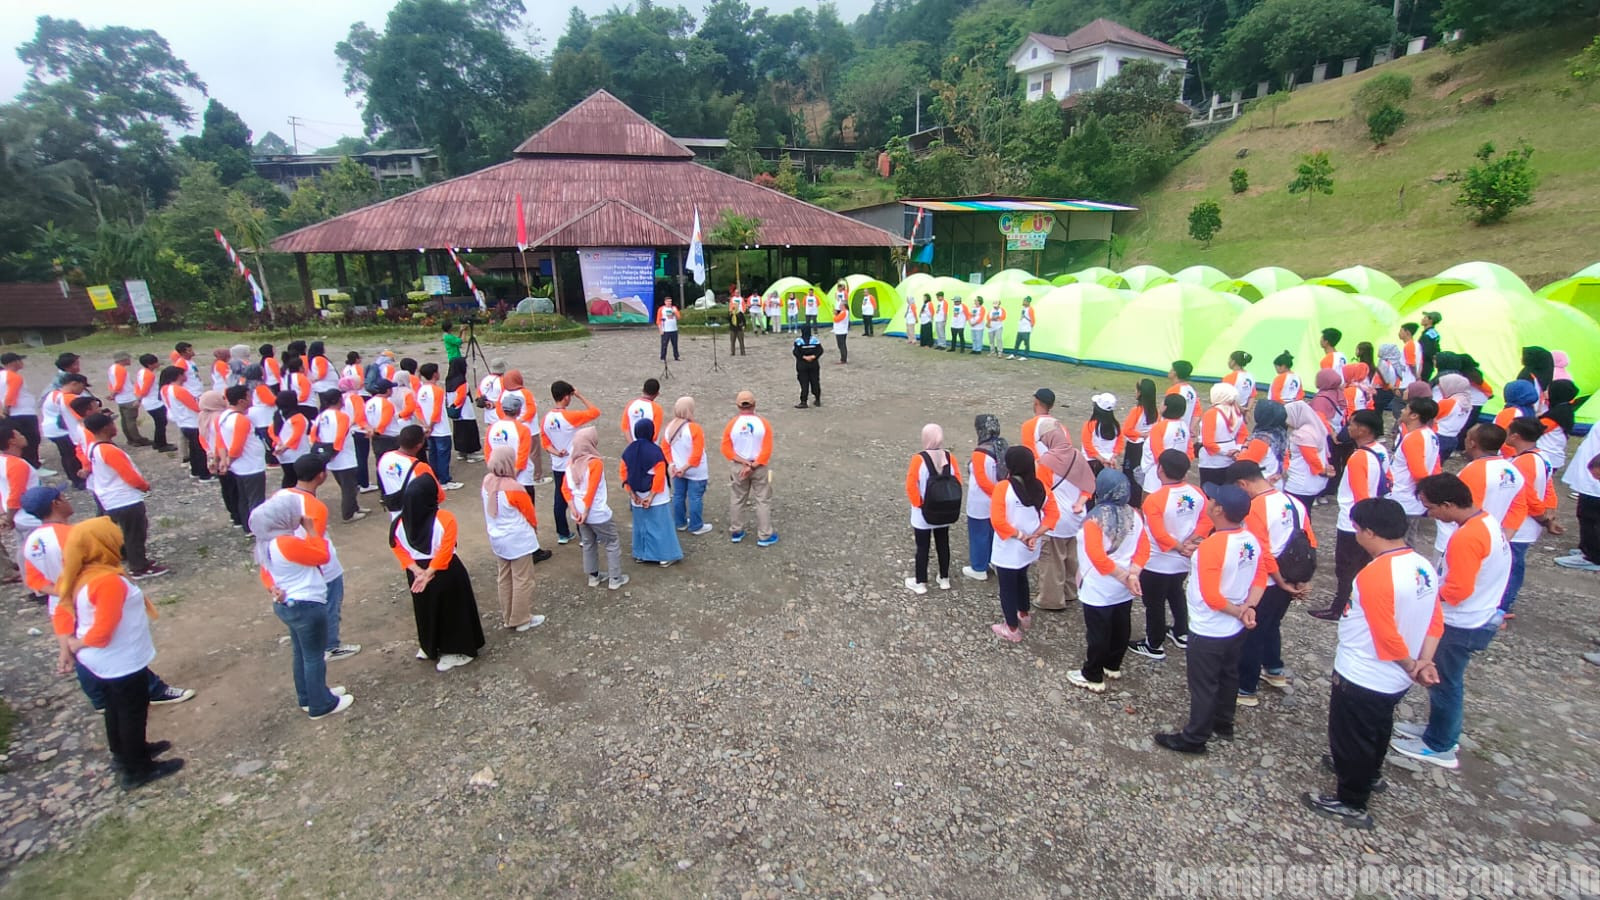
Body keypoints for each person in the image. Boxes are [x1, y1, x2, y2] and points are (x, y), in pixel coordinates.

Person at [1303, 497, 1441, 829]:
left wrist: (1411, 664)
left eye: (1357, 529)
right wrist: (1424, 661)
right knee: (1377, 727)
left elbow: (1384, 632)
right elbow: (1435, 618)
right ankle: (1370, 772)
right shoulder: (1422, 565)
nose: (1356, 535)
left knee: (1352, 735)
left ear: (1369, 532)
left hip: (1365, 672)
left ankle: (1352, 800)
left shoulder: (1376, 574)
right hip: (1395, 677)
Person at [1385, 474, 1511, 770]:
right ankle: (1438, 730)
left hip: (1461, 621)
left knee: (1444, 682)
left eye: (1431, 507)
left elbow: (1458, 590)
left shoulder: (1467, 538)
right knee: (1447, 681)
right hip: (1480, 613)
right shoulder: (1486, 522)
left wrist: (1423, 595)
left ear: (1448, 504)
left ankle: (1440, 744)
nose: (1430, 514)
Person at [52, 517, 186, 789]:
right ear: (102, 543)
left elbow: (63, 609)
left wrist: (72, 646)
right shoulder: (107, 581)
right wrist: (76, 644)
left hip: (105, 661)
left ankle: (124, 754)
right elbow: (103, 630)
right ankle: (138, 769)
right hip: (118, 660)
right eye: (114, 536)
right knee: (131, 711)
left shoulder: (84, 573)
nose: (120, 540)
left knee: (115, 708)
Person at [1153, 484, 1267, 755]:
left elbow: (1212, 597)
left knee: (1203, 684)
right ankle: (1223, 722)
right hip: (1235, 627)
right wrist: (1249, 607)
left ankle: (1195, 737)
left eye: (1213, 500)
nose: (1209, 502)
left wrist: (1240, 611)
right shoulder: (1250, 539)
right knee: (1229, 675)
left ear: (1219, 510)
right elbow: (1260, 576)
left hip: (1210, 628)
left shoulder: (1213, 546)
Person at [249, 493, 354, 718]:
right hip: (307, 605)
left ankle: (308, 696)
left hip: (288, 604)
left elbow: (265, 573)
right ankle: (321, 705)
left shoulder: (265, 543)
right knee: (314, 656)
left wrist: (272, 588)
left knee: (301, 653)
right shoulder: (286, 543)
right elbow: (322, 556)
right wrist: (312, 531)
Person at [1229, 460, 1314, 701]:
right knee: (1272, 624)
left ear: (1242, 484)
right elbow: (1309, 541)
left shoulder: (1256, 507)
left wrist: (1280, 580)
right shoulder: (1293, 502)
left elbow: (1262, 552)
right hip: (1291, 575)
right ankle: (1273, 668)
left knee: (1253, 632)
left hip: (1266, 581)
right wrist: (1300, 580)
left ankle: (1246, 687)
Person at [390, 470, 485, 672]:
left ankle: (429, 645)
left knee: (425, 608)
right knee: (453, 610)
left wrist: (416, 569)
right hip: (446, 570)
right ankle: (457, 649)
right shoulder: (444, 518)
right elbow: (446, 549)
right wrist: (430, 572)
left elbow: (396, 546)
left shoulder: (399, 521)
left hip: (417, 572)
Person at [1069, 469, 1148, 691]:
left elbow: (1097, 557)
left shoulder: (1095, 519)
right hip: (1124, 585)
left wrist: (1124, 577)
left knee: (1098, 631)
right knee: (1121, 624)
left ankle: (1092, 674)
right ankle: (1113, 664)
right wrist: (1133, 574)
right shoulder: (1134, 515)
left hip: (1099, 584)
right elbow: (1144, 546)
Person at [276, 455, 360, 662]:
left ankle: (307, 639)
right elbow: (315, 541)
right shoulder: (316, 507)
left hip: (287, 562)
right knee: (329, 605)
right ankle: (330, 646)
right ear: (321, 476)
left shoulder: (280, 495)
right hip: (319, 566)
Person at [1130, 450, 1209, 661]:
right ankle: (1181, 632)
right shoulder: (1197, 493)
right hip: (1183, 561)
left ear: (1160, 470)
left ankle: (1154, 643)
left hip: (1157, 561)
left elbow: (1159, 534)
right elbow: (1207, 520)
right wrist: (1191, 541)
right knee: (1176, 593)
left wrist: (1179, 546)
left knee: (1154, 603)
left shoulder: (1154, 500)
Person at [1309, 410, 1388, 622]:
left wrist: (1360, 521)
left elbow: (1360, 494)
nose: (1348, 428)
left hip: (1353, 521)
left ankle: (1341, 607)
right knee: (1361, 565)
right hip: (1371, 516)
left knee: (1346, 568)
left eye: (1352, 424)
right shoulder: (1380, 450)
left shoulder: (1358, 457)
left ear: (1363, 430)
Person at [80, 411, 169, 580]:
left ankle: (127, 556)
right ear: (105, 428)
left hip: (109, 498)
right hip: (125, 499)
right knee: (135, 533)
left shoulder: (93, 447)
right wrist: (144, 486)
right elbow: (129, 475)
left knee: (125, 532)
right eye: (112, 424)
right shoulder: (109, 450)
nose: (115, 427)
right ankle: (139, 567)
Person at [988, 446, 1060, 642]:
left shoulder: (1003, 487)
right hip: (1030, 546)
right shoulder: (1040, 487)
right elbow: (1053, 514)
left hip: (1009, 547)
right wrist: (1036, 534)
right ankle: (1024, 614)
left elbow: (998, 521)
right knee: (1022, 577)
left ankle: (1011, 627)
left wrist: (1021, 536)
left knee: (1007, 587)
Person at [481, 445, 546, 632]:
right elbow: (529, 513)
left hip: (497, 537)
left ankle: (508, 616)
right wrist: (534, 528)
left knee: (504, 577)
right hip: (517, 539)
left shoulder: (487, 481)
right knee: (523, 579)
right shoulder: (514, 487)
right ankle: (521, 619)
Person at [1502, 417, 1562, 612]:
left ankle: (1503, 607)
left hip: (1520, 526)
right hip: (1528, 526)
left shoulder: (1523, 462)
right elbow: (1549, 487)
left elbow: (1528, 496)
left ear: (1515, 436)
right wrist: (1549, 514)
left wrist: (1543, 518)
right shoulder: (1542, 456)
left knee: (1510, 568)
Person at [1035, 425, 1093, 610]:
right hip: (1078, 516)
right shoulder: (1077, 455)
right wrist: (1080, 503)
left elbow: (1041, 491)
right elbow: (1089, 485)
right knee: (1072, 557)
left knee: (1052, 560)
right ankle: (1071, 591)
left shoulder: (1046, 461)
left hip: (1056, 519)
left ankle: (1051, 599)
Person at [563, 427, 628, 589]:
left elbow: (565, 489)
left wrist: (574, 509)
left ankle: (593, 577)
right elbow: (591, 489)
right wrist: (586, 511)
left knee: (588, 543)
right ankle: (615, 578)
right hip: (596, 512)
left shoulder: (570, 464)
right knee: (611, 542)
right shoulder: (595, 463)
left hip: (578, 512)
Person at [904, 424, 962, 594]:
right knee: (943, 544)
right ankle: (944, 578)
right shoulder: (950, 457)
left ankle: (920, 582)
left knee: (922, 547)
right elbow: (958, 481)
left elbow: (911, 485)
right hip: (944, 510)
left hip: (924, 512)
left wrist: (919, 504)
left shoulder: (919, 459)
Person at [542, 381, 601, 546]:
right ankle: (584, 535)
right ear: (567, 397)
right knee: (578, 496)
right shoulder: (570, 417)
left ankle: (562, 533)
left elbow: (545, 443)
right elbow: (595, 412)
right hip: (573, 464)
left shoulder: (546, 418)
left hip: (557, 464)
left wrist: (556, 452)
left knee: (560, 499)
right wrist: (580, 395)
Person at [622, 419, 683, 567]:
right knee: (661, 525)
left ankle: (641, 554)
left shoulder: (628, 451)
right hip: (656, 497)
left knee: (641, 525)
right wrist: (651, 496)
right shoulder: (656, 451)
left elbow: (624, 474)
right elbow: (659, 477)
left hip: (637, 496)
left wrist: (632, 494)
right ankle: (665, 556)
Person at [723, 391, 777, 547]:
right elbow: (767, 449)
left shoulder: (732, 424)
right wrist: (752, 465)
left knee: (737, 498)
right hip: (759, 466)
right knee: (762, 500)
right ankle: (765, 535)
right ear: (754, 404)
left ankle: (736, 531)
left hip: (738, 466)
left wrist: (743, 462)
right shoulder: (763, 424)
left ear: (738, 406)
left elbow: (725, 448)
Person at [1389, 397, 1441, 549]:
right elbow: (1435, 467)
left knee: (1399, 544)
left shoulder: (1413, 438)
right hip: (1412, 501)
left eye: (1406, 408)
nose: (1402, 411)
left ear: (1414, 415)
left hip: (1403, 499)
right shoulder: (1431, 435)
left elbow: (1419, 474)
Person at [218, 385, 269, 530]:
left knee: (244, 498)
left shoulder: (224, 416)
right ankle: (256, 528)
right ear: (241, 401)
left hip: (240, 466)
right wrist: (228, 461)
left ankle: (247, 526)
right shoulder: (241, 420)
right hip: (251, 465)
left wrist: (224, 459)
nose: (252, 399)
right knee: (255, 499)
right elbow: (236, 447)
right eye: (249, 396)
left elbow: (220, 440)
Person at [962, 414, 1006, 581]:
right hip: (999, 501)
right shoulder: (1003, 446)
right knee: (995, 534)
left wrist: (995, 495)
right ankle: (996, 562)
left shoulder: (980, 452)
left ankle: (979, 567)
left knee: (979, 534)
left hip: (980, 503)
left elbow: (982, 481)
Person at [662, 396, 712, 536]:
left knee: (678, 496)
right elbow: (697, 454)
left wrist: (672, 464)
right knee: (695, 497)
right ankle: (696, 526)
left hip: (677, 469)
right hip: (695, 471)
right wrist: (685, 468)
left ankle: (680, 523)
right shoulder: (695, 428)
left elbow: (665, 448)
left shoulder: (670, 427)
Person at [1557, 428, 1600, 572]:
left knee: (1591, 518)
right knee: (1585, 515)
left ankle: (1593, 555)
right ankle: (1588, 548)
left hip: (1594, 483)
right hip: (1591, 477)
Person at [415, 363, 461, 490]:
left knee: (433, 454)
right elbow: (437, 411)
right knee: (443, 455)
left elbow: (417, 409)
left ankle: (435, 478)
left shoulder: (420, 390)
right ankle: (444, 480)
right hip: (440, 429)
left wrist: (425, 425)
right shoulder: (437, 391)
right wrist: (431, 425)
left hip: (427, 429)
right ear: (435, 374)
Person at [42, 374, 91, 488]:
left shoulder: (53, 393)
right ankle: (78, 480)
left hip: (52, 429)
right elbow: (81, 416)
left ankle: (74, 479)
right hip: (61, 431)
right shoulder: (69, 397)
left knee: (66, 455)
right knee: (72, 456)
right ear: (74, 384)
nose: (82, 390)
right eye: (82, 387)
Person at [496, 370, 545, 483]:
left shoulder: (503, 394)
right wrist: (521, 419)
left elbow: (499, 410)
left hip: (510, 428)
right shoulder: (525, 393)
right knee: (533, 453)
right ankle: (536, 477)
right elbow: (531, 410)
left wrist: (509, 420)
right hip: (529, 429)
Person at [1283, 400, 1332, 510]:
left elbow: (1312, 459)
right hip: (1309, 482)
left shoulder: (1303, 434)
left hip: (1300, 483)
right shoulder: (1316, 427)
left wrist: (1323, 471)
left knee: (1295, 513)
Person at [0, 352, 45, 469]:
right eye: (19, 360)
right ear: (14, 362)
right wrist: (6, 408)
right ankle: (33, 465)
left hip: (13, 414)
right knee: (32, 438)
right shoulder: (14, 377)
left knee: (21, 438)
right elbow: (11, 394)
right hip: (23, 413)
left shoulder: (2, 375)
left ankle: (28, 461)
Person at [1140, 395, 1191, 496]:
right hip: (1177, 473)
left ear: (1165, 407)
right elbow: (1189, 450)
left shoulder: (1159, 427)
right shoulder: (1184, 426)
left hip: (1158, 474)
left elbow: (1157, 453)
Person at [1197, 383, 1247, 486]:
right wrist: (1237, 450)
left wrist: (1226, 453)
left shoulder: (1211, 413)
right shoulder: (1237, 412)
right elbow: (1243, 434)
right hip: (1231, 458)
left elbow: (1208, 442)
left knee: (1209, 491)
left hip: (1212, 461)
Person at [1237, 399, 1288, 485]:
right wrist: (1280, 472)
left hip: (1260, 483)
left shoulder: (1261, 440)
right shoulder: (1280, 432)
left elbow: (1243, 465)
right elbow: (1286, 456)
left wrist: (1242, 449)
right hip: (1275, 480)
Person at [1122, 380, 1157, 503]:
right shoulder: (1155, 411)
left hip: (1134, 446)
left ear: (1140, 393)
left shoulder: (1136, 411)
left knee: (1131, 474)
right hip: (1147, 445)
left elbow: (1127, 430)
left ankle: (1132, 501)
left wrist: (1142, 434)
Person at [271, 392, 313, 492]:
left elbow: (271, 431)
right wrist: (285, 447)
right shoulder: (298, 417)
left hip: (282, 454)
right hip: (298, 453)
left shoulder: (278, 414)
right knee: (301, 480)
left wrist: (279, 443)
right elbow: (296, 435)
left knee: (288, 477)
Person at [105, 351, 148, 447]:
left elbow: (111, 383)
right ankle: (137, 439)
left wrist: (113, 394)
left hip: (120, 399)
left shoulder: (112, 368)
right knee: (131, 420)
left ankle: (130, 439)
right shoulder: (121, 370)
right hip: (128, 398)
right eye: (128, 358)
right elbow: (119, 385)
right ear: (123, 360)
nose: (130, 360)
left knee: (125, 420)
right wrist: (113, 394)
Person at [444, 358, 481, 465]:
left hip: (456, 414)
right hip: (465, 412)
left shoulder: (448, 380)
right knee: (469, 432)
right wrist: (456, 405)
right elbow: (461, 396)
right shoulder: (461, 381)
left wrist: (452, 407)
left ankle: (461, 452)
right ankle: (471, 454)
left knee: (459, 432)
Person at [1536, 380, 1577, 471]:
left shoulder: (1555, 415)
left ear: (1557, 393)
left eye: (1548, 390)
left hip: (1547, 455)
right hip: (1552, 455)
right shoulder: (1565, 410)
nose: (1545, 392)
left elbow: (1536, 429)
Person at [1081, 393, 1123, 473]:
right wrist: (1113, 457)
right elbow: (1120, 443)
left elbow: (1087, 445)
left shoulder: (1089, 425)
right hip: (1110, 462)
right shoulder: (1116, 426)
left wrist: (1102, 459)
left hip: (1091, 462)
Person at [793, 325, 824, 409]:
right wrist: (814, 356)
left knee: (804, 383)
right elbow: (820, 350)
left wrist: (804, 357)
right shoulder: (815, 340)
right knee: (815, 381)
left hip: (802, 364)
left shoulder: (798, 341)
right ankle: (817, 399)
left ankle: (803, 402)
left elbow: (795, 352)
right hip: (813, 364)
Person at [1020, 388, 1057, 458]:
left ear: (1036, 402)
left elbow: (1029, 454)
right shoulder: (1062, 428)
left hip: (1040, 464)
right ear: (1052, 406)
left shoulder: (1028, 426)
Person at [1166, 361, 1201, 432]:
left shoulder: (1174, 390)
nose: (1169, 371)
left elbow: (1166, 411)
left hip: (1171, 430)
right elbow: (1197, 413)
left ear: (1175, 372)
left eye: (1171, 369)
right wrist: (1190, 429)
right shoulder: (1191, 391)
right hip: (1184, 431)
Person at [479, 358, 507, 431]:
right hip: (501, 414)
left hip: (489, 414)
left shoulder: (484, 380)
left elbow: (479, 395)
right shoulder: (503, 381)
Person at [1418, 311, 1443, 382]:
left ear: (1430, 320)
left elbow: (1427, 351)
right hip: (1428, 365)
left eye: (1425, 317)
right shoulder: (1433, 333)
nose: (1422, 319)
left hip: (1424, 366)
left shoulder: (1427, 335)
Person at [657, 297, 682, 361]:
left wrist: (675, 312)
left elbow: (679, 317)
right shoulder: (661, 309)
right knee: (664, 344)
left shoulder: (674, 308)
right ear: (665, 302)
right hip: (665, 330)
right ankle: (663, 357)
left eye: (670, 301)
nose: (669, 303)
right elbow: (658, 320)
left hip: (674, 329)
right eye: (668, 301)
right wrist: (660, 329)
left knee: (675, 344)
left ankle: (676, 356)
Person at [1010, 296, 1035, 360]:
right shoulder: (1023, 309)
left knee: (1026, 343)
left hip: (1026, 329)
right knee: (1017, 342)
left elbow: (1033, 319)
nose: (1023, 302)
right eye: (1023, 300)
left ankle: (1025, 356)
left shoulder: (1030, 309)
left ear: (1028, 302)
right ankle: (1014, 354)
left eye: (1025, 301)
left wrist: (1031, 328)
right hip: (1021, 328)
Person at [830, 291, 850, 364]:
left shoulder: (844, 312)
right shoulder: (844, 312)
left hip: (841, 331)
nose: (840, 306)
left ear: (844, 306)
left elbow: (836, 319)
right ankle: (843, 358)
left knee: (841, 345)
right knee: (841, 345)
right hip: (841, 330)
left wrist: (835, 315)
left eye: (841, 305)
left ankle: (843, 359)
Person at [725, 292, 746, 356]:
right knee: (732, 341)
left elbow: (744, 321)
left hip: (739, 328)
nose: (735, 307)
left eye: (736, 306)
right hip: (732, 329)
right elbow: (728, 320)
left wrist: (743, 326)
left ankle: (743, 352)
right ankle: (732, 352)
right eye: (734, 306)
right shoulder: (731, 314)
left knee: (741, 341)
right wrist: (730, 313)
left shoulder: (740, 313)